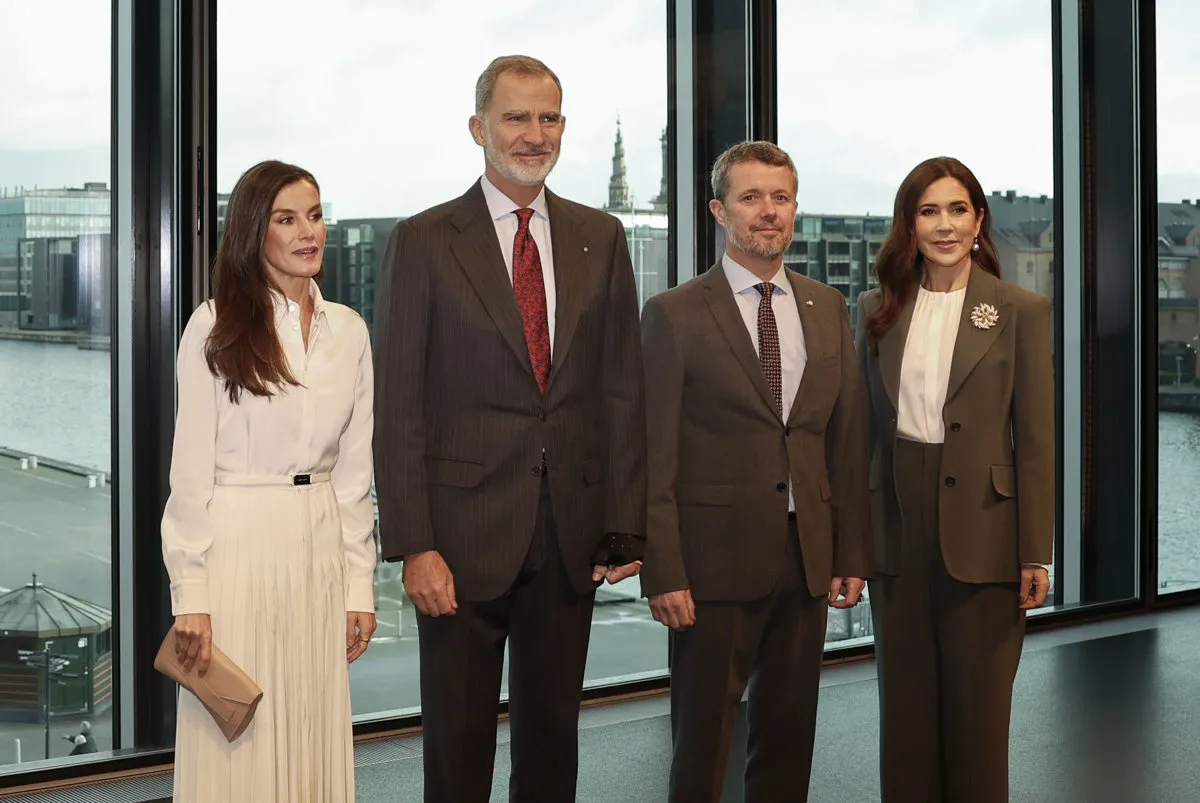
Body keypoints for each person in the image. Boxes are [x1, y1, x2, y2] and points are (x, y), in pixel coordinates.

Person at [372, 55, 647, 803]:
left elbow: (621, 389)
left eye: (549, 117)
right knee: (458, 749)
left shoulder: (602, 236)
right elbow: (398, 406)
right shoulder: (425, 240)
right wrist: (414, 543)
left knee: (553, 738)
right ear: (478, 128)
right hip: (458, 542)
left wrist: (625, 524)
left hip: (571, 535)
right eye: (516, 117)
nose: (534, 134)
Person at [640, 140, 872, 803]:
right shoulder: (675, 314)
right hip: (709, 568)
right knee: (703, 743)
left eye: (780, 198)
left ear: (795, 208)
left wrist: (849, 549)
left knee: (789, 734)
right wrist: (665, 567)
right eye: (750, 198)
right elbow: (652, 453)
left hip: (806, 561)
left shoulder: (827, 307)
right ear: (719, 209)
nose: (767, 212)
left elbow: (846, 441)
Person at [161, 160, 378, 802]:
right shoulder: (212, 324)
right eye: (287, 218)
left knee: (310, 722)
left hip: (317, 551)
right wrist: (190, 592)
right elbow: (189, 473)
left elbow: (355, 473)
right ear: (255, 233)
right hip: (238, 549)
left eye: (315, 215)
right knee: (239, 734)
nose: (309, 231)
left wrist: (359, 583)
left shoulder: (351, 331)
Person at [856, 156, 1054, 802]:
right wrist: (852, 547)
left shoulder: (1019, 308)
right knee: (905, 718)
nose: (944, 225)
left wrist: (1035, 551)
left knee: (978, 718)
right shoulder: (876, 310)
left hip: (987, 531)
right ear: (909, 225)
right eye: (928, 210)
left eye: (958, 209)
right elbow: (862, 441)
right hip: (897, 529)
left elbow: (1037, 439)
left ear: (980, 220)